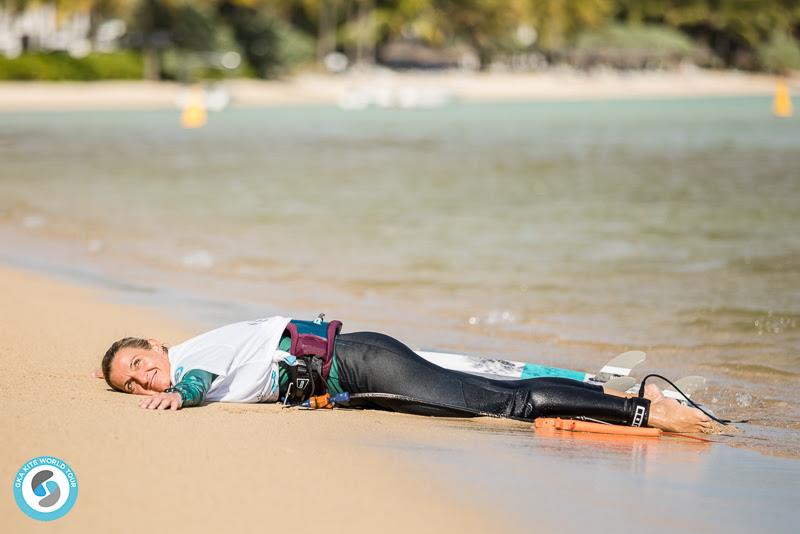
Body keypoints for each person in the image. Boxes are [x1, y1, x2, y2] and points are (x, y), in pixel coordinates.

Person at [98, 315, 712, 433]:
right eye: (133, 383)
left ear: (156, 344)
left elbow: (197, 383)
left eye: (139, 364)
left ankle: (646, 406)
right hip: (357, 374)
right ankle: (615, 400)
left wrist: (179, 394)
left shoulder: (196, 354)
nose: (143, 379)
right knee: (488, 393)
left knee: (507, 404)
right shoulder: (201, 352)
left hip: (361, 363)